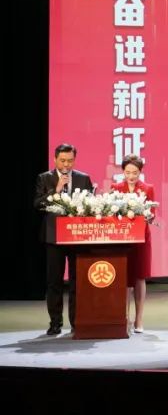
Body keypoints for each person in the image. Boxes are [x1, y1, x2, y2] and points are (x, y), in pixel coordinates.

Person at [34, 143, 94, 335]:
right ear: (55, 159)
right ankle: (55, 322)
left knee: (77, 281)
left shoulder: (83, 178)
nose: (66, 164)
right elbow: (38, 204)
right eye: (62, 161)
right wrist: (56, 190)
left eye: (70, 160)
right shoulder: (45, 178)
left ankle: (77, 322)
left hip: (77, 237)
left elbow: (91, 205)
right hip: (54, 238)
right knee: (54, 282)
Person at [111, 155, 154, 333]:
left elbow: (152, 215)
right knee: (124, 277)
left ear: (140, 172)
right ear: (123, 171)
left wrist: (146, 215)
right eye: (128, 172)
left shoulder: (147, 188)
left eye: (135, 172)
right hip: (122, 239)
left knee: (140, 277)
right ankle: (124, 317)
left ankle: (139, 319)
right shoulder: (116, 188)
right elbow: (111, 213)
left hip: (141, 238)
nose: (131, 176)